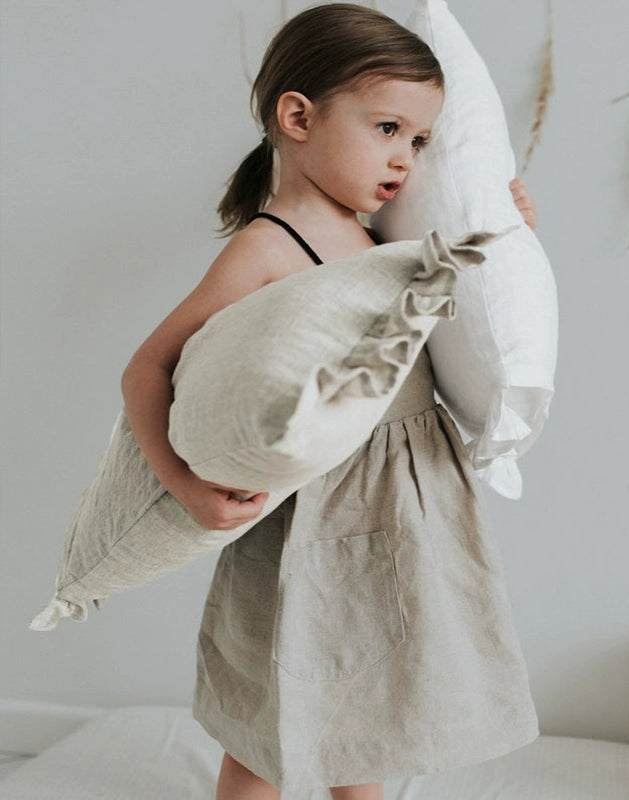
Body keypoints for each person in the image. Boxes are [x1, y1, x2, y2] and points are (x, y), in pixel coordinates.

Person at [121, 4, 541, 799]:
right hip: (309, 518)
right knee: (271, 721)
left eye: (420, 141)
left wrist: (498, 226)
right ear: (298, 117)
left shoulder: (381, 232)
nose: (405, 157)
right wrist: (183, 484)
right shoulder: (268, 248)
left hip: (401, 506)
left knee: (366, 722)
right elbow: (148, 368)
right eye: (387, 129)